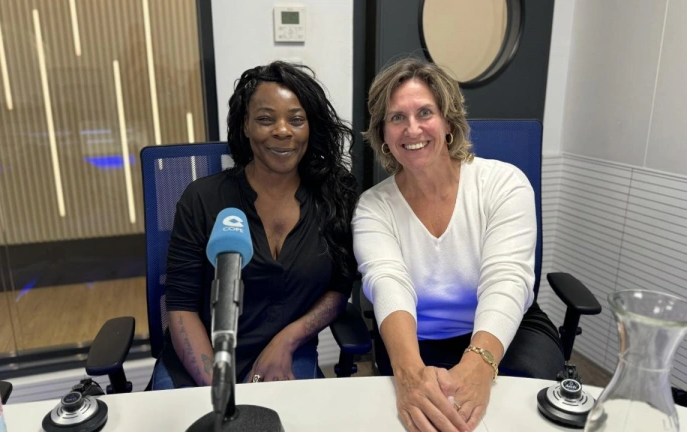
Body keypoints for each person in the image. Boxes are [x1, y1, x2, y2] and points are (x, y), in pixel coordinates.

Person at [353, 58, 564, 432]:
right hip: (416, 338)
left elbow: (507, 280)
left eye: (425, 113)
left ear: (448, 122)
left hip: (506, 330)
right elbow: (387, 283)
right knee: (420, 418)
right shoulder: (373, 207)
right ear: (383, 134)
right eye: (397, 118)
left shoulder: (504, 184)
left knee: (518, 416)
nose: (412, 128)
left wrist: (478, 364)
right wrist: (410, 371)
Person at [152, 61, 358, 389]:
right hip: (201, 360)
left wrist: (287, 341)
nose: (282, 131)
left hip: (286, 352)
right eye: (265, 119)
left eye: (296, 119)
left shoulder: (336, 196)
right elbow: (181, 307)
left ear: (310, 127)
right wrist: (218, 386)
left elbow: (338, 289)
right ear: (245, 126)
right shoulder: (201, 198)